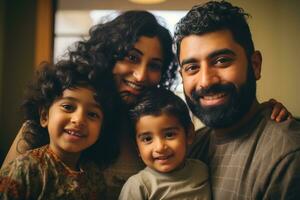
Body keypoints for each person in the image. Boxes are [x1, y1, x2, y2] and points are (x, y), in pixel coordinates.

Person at [1, 9, 291, 199]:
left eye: (154, 65)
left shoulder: (149, 126)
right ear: (106, 56)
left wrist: (260, 114)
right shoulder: (50, 128)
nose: (141, 75)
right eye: (130, 57)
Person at [174, 1, 300, 199]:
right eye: (192, 68)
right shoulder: (189, 146)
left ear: (255, 65)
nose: (206, 81)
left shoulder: (286, 156)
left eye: (222, 60)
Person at [0, 60, 119, 199]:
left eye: (92, 114)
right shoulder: (25, 169)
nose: (79, 119)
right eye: (68, 107)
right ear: (44, 116)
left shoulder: (95, 176)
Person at [119, 88, 211, 200]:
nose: (160, 147)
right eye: (147, 139)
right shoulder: (139, 186)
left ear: (189, 134)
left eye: (169, 135)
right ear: (137, 148)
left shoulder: (202, 170)